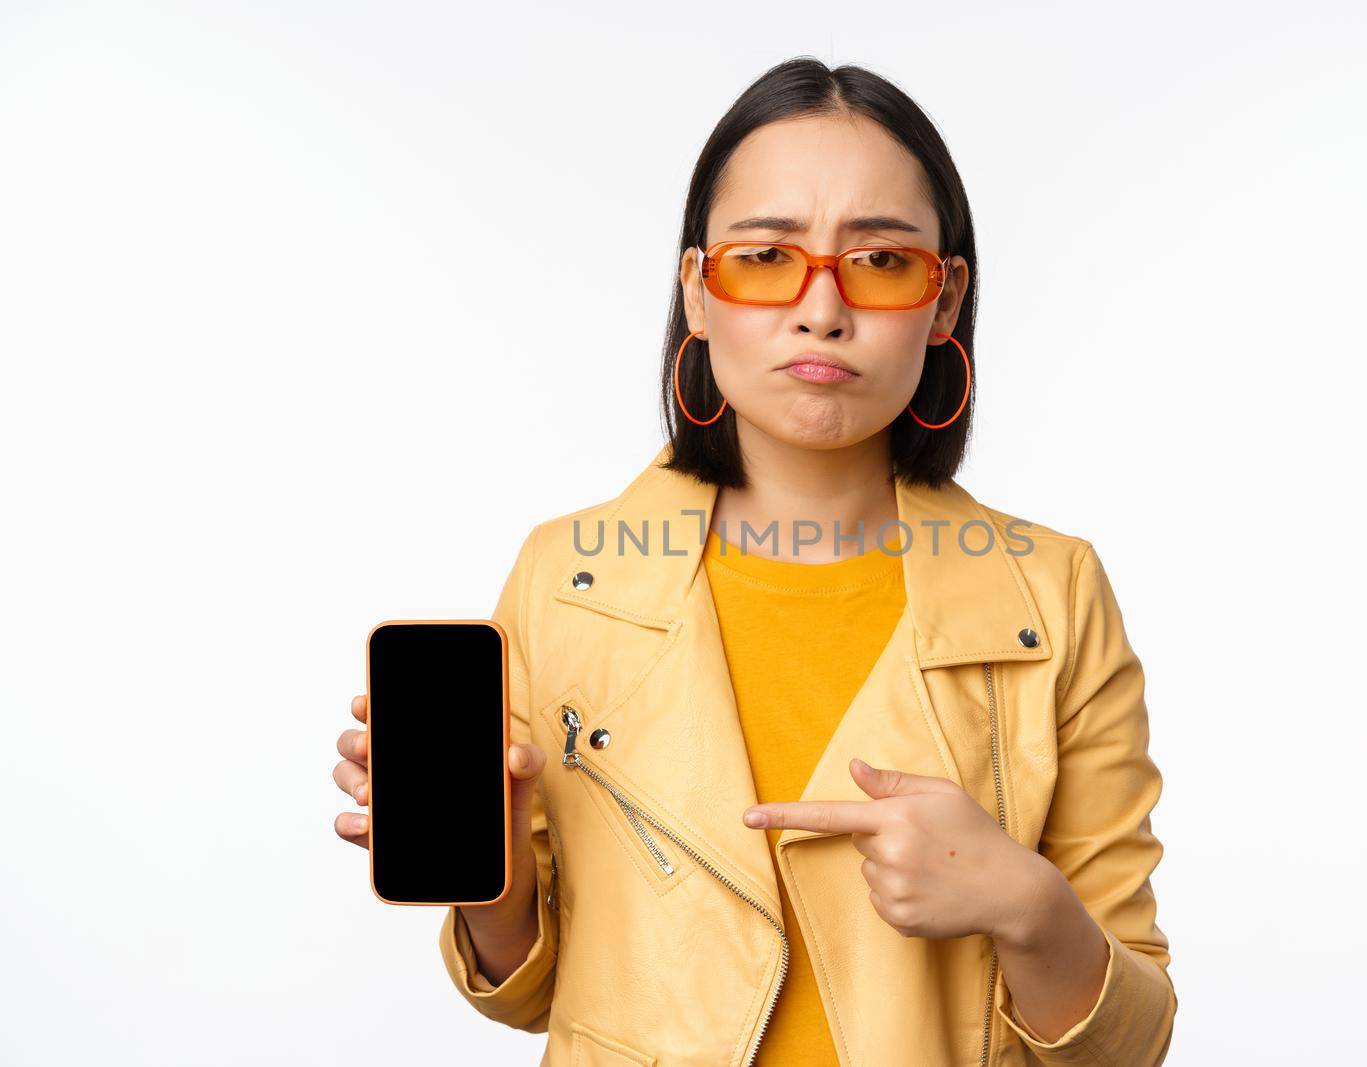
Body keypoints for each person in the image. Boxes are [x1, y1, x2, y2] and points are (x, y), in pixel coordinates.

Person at [332, 56, 1176, 1067]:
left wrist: (1027, 903)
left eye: (880, 262)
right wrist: (496, 874)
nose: (821, 308)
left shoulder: (1053, 591)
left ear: (943, 302)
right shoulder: (568, 577)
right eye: (766, 257)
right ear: (697, 289)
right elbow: (533, 991)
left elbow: (1129, 1042)